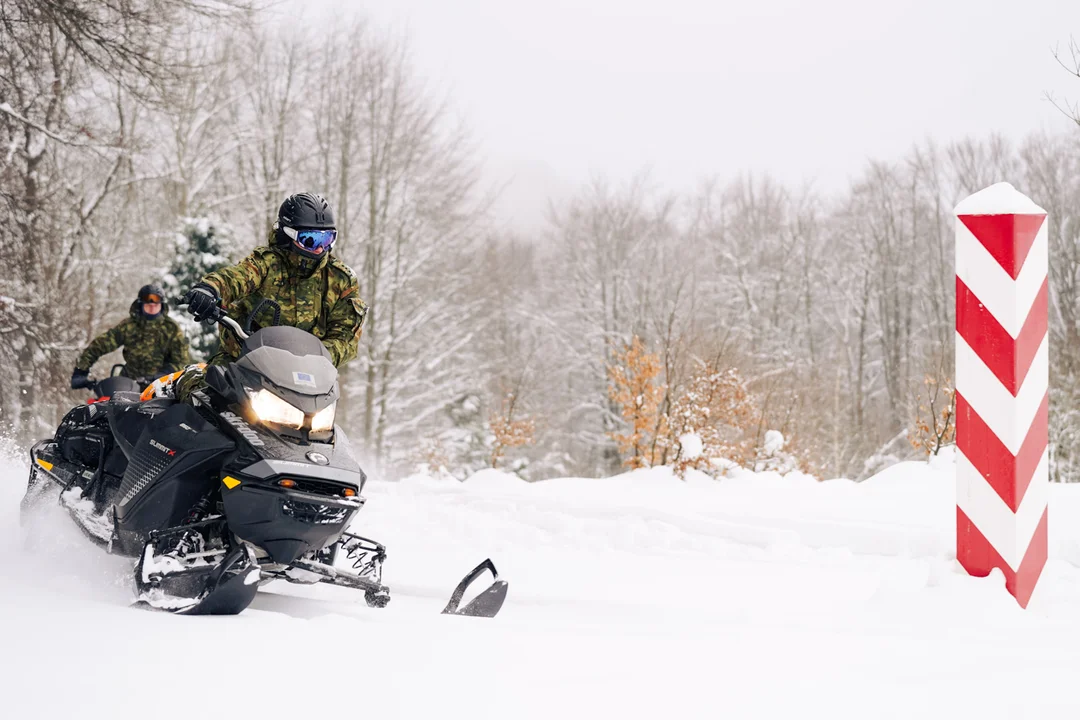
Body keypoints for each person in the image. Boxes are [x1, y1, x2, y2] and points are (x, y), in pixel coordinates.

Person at [174, 193, 366, 398]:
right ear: (288, 235)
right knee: (205, 397)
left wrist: (315, 358)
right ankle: (179, 388)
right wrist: (210, 289)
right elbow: (236, 278)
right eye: (309, 239)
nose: (320, 248)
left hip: (308, 377)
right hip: (246, 363)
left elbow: (346, 337)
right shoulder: (267, 264)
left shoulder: (340, 279)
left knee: (322, 424)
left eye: (327, 239)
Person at [71, 284, 191, 389]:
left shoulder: (171, 328)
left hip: (161, 387)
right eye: (148, 301)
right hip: (127, 384)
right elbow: (101, 344)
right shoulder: (128, 326)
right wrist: (81, 370)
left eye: (156, 301)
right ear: (141, 304)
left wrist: (161, 376)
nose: (152, 305)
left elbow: (181, 361)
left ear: (162, 304)